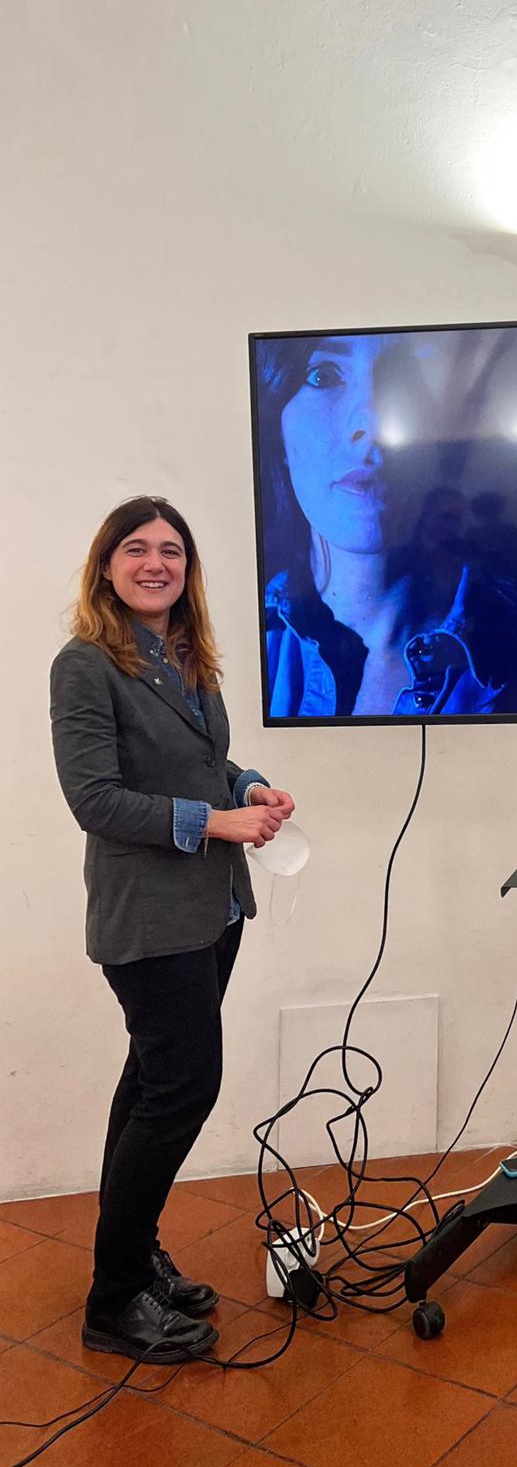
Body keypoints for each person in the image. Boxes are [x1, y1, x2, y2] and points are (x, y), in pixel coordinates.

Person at [50, 496, 296, 1363]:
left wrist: (249, 785)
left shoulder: (188, 655)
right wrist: (216, 821)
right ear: (106, 564)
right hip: (148, 918)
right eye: (136, 548)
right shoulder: (84, 665)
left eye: (172, 551)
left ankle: (133, 1254)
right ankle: (114, 1300)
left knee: (151, 1084)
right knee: (181, 1091)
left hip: (212, 909)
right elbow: (96, 800)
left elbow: (202, 760)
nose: (155, 563)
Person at [256, 332, 517, 717]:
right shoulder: (243, 641)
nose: (372, 423)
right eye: (323, 375)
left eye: (404, 380)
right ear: (276, 430)